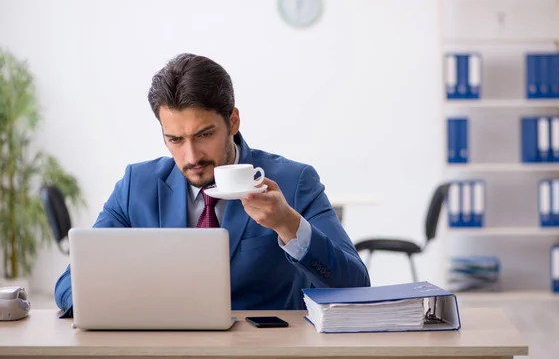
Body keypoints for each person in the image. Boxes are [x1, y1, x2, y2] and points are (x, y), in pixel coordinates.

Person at [54, 53, 370, 318]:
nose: (191, 156)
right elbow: (69, 286)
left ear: (232, 121)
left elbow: (356, 287)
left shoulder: (294, 181)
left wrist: (289, 225)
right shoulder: (137, 186)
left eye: (204, 134)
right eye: (175, 139)